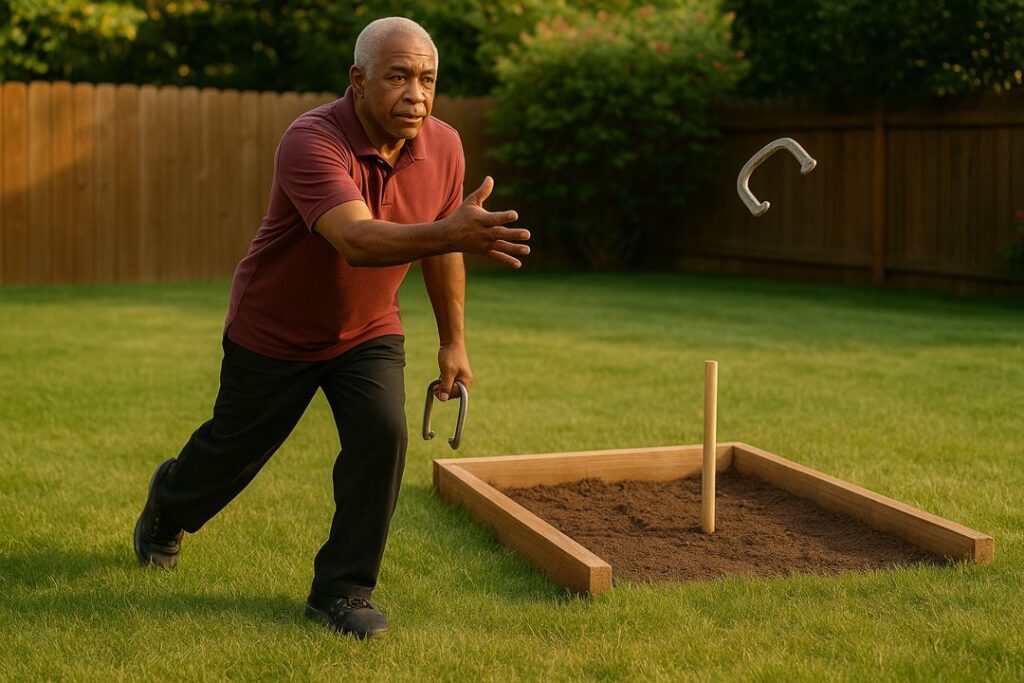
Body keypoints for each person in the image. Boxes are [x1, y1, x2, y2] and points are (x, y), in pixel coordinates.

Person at [132, 16, 530, 639]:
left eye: (427, 79)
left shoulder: (443, 145)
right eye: (398, 77)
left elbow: (442, 247)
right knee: (233, 452)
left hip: (367, 328)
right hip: (275, 329)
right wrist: (448, 231)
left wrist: (453, 340)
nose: (416, 94)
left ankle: (342, 592)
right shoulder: (312, 140)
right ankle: (169, 504)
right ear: (358, 79)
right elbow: (355, 239)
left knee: (382, 435)